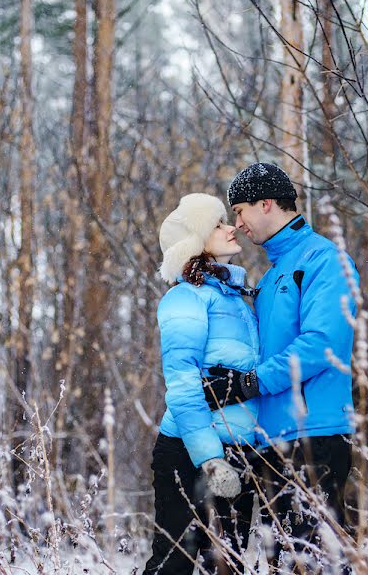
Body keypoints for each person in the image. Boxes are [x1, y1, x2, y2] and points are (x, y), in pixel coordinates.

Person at [204, 163, 359, 570]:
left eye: (240, 211)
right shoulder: (272, 275)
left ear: (267, 204)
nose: (238, 224)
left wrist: (251, 382)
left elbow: (324, 343)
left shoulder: (325, 260)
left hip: (316, 437)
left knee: (307, 563)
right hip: (271, 443)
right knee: (282, 564)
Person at [144, 193, 260, 575]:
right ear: (194, 243)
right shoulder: (185, 298)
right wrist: (210, 458)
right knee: (173, 563)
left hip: (238, 450)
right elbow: (182, 383)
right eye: (217, 224)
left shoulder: (238, 301)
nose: (231, 228)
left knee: (229, 565)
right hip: (188, 451)